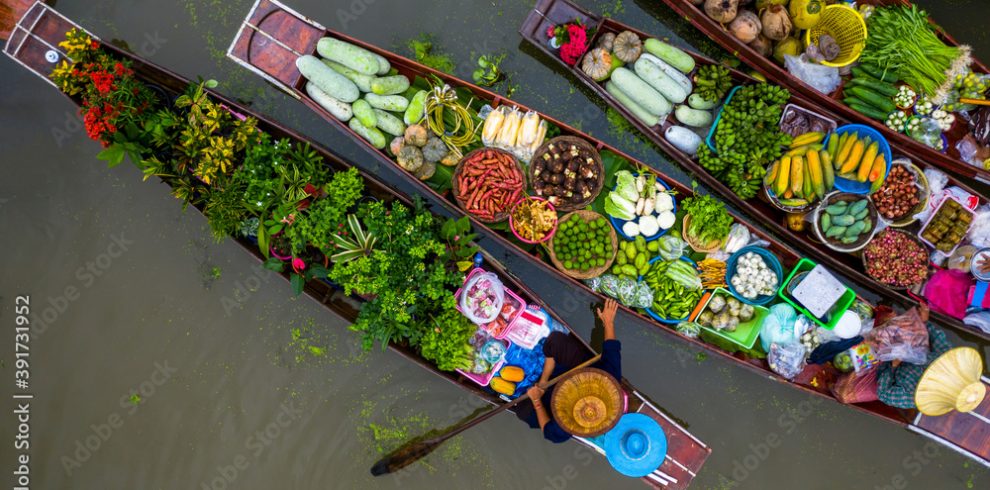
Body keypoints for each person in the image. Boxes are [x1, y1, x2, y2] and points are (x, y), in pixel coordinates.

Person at [515, 298, 622, 443]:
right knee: (556, 341)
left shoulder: (569, 422)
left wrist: (536, 400)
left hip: (554, 399)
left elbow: (549, 432)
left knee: (523, 411)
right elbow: (611, 347)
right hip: (582, 370)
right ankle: (545, 375)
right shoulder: (610, 378)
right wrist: (608, 321)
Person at [876, 303, 953, 409]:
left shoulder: (912, 397)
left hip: (888, 364)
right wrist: (924, 322)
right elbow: (937, 338)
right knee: (890, 317)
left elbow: (883, 393)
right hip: (912, 345)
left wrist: (893, 366)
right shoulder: (947, 361)